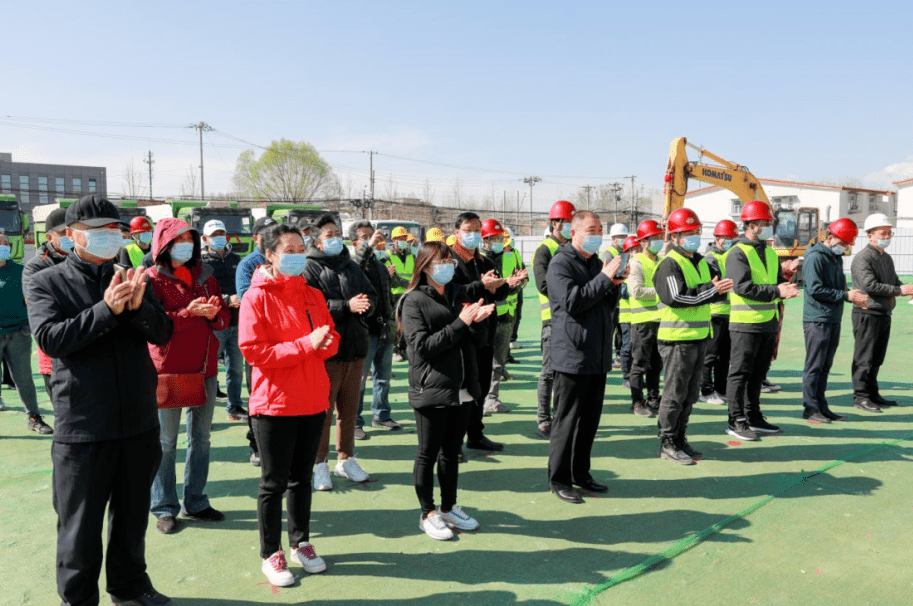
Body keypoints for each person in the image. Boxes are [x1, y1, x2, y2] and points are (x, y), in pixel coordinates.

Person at [27, 194, 175, 606]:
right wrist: (107, 310)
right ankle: (78, 599)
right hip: (84, 426)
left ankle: (130, 587)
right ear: (72, 235)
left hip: (139, 421)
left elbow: (163, 333)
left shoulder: (133, 276)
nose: (111, 237)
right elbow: (52, 339)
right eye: (99, 231)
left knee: (131, 519)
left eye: (116, 230)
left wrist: (136, 307)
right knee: (79, 527)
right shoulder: (46, 281)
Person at [239, 223, 338, 586]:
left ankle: (301, 543)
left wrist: (326, 343)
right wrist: (306, 345)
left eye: (301, 247)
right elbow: (254, 351)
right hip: (274, 404)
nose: (298, 254)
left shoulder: (313, 294)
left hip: (312, 399)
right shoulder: (256, 297)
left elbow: (330, 335)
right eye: (289, 249)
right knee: (273, 483)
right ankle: (271, 552)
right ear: (270, 255)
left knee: (302, 480)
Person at [400, 241, 494, 540]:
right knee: (428, 453)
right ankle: (426, 512)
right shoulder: (414, 301)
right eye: (441, 262)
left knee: (451, 453)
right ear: (425, 266)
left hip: (462, 388)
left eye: (450, 262)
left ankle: (448, 506)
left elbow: (475, 342)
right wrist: (461, 323)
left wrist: (476, 322)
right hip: (433, 388)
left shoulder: (457, 294)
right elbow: (422, 347)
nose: (448, 267)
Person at [147, 218, 231, 534]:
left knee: (201, 439)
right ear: (164, 243)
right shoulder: (152, 279)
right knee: (166, 442)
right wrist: (187, 314)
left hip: (205, 369)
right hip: (169, 371)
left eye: (189, 239)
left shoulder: (206, 278)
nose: (186, 244)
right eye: (178, 239)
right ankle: (165, 508)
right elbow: (153, 326)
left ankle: (195, 501)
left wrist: (214, 316)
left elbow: (223, 316)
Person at [546, 210, 624, 503]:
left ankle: (582, 473)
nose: (597, 235)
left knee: (589, 421)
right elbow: (572, 302)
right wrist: (604, 278)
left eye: (600, 230)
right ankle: (559, 479)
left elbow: (604, 303)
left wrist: (613, 285)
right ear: (573, 232)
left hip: (597, 353)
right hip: (572, 356)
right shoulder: (561, 263)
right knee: (567, 421)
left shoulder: (595, 263)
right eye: (591, 229)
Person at [653, 209, 733, 464]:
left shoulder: (699, 260)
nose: (693, 237)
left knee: (688, 395)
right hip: (677, 338)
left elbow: (707, 290)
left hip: (698, 336)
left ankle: (679, 438)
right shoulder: (669, 263)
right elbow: (677, 297)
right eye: (687, 233)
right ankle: (667, 442)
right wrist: (712, 289)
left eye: (695, 232)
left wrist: (716, 289)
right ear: (674, 237)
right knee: (674, 394)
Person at [304, 214, 377, 490]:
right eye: (328, 234)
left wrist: (365, 305)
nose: (334, 238)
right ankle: (319, 464)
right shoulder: (310, 267)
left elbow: (371, 294)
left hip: (356, 348)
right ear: (317, 241)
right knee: (323, 410)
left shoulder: (351, 266)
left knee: (348, 410)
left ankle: (346, 459)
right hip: (327, 351)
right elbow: (312, 304)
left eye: (336, 232)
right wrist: (346, 306)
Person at [725, 200, 800, 440]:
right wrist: (778, 291)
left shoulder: (768, 251)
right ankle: (736, 419)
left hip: (768, 321)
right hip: (745, 324)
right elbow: (743, 287)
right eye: (764, 222)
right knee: (740, 373)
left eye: (769, 222)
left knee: (758, 374)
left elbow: (775, 280)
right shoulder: (737, 253)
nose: (768, 226)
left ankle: (753, 416)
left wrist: (786, 282)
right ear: (750, 224)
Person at [450, 212, 517, 453]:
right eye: (468, 230)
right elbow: (452, 293)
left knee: (480, 387)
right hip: (461, 336)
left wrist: (506, 285)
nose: (473, 235)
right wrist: (481, 285)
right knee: (461, 391)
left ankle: (475, 435)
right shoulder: (449, 260)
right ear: (457, 232)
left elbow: (496, 294)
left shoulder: (485, 261)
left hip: (485, 334)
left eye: (477, 230)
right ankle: (453, 444)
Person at [802, 218, 868, 422]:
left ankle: (821, 406)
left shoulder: (835, 258)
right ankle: (811, 409)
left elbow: (839, 288)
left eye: (848, 244)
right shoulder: (815, 257)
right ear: (831, 238)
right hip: (817, 319)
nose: (847, 248)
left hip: (832, 318)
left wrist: (852, 296)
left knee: (825, 365)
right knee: (814, 365)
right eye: (844, 243)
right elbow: (814, 289)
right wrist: (845, 296)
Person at [850, 213, 913, 412]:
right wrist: (898, 291)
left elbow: (894, 282)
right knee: (865, 357)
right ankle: (861, 396)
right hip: (867, 313)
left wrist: (906, 289)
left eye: (889, 233)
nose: (886, 237)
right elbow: (870, 285)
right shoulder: (863, 258)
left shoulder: (885, 258)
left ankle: (872, 392)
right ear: (869, 235)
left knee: (876, 357)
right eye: (882, 233)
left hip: (883, 313)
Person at [350, 220, 400, 440]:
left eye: (372, 235)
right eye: (364, 236)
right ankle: (355, 422)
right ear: (354, 242)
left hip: (384, 328)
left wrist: (393, 320)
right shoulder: (353, 263)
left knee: (383, 377)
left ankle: (381, 415)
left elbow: (387, 294)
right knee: (359, 380)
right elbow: (356, 271)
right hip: (364, 331)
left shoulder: (379, 263)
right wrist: (368, 247)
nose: (372, 239)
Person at [236, 216, 278, 466]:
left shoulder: (283, 260)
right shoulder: (248, 265)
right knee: (258, 396)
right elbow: (246, 299)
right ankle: (257, 446)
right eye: (267, 234)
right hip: (259, 342)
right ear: (256, 238)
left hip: (283, 342)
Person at [532, 200, 576, 439]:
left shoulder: (573, 248)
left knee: (565, 372)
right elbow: (543, 285)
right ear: (554, 223)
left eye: (571, 222)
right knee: (549, 372)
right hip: (553, 320)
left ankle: (561, 417)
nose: (569, 226)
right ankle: (543, 419)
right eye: (566, 221)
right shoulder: (544, 250)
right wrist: (572, 296)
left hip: (572, 319)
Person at [0, 232, 51, 433]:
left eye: (5, 243)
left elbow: (31, 299)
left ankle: (34, 418)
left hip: (18, 333)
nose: (3, 246)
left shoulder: (21, 271)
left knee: (24, 379)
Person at [22, 207, 73, 402]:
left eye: (72, 231)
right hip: (55, 355)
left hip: (85, 352)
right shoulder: (36, 266)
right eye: (63, 233)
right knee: (66, 415)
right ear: (49, 236)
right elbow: (39, 309)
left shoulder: (84, 259)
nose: (69, 237)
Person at [200, 219, 247, 422]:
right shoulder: (200, 264)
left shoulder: (236, 259)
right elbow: (201, 293)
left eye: (221, 234)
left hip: (237, 322)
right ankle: (203, 411)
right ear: (205, 239)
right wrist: (228, 300)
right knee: (209, 370)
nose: (218, 238)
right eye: (214, 235)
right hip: (214, 324)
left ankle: (234, 407)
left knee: (235, 368)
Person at [480, 218, 528, 414]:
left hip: (507, 316)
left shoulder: (512, 256)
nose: (499, 241)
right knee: (481, 361)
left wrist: (517, 284)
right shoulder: (479, 260)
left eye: (501, 237)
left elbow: (523, 279)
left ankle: (492, 398)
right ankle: (477, 399)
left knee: (498, 362)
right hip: (485, 318)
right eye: (494, 238)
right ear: (485, 241)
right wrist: (505, 285)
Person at [627, 220, 664, 418]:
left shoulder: (661, 261)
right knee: (639, 364)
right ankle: (636, 402)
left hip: (660, 321)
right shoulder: (637, 262)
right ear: (643, 242)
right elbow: (636, 291)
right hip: (642, 323)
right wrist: (662, 293)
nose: (658, 242)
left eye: (660, 237)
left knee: (656, 364)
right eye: (654, 238)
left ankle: (653, 398)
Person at [699, 219, 737, 405]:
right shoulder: (710, 258)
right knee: (711, 354)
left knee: (725, 355)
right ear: (717, 238)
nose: (728, 240)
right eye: (725, 237)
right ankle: (706, 390)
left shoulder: (731, 255)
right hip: (715, 312)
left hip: (730, 311)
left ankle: (721, 389)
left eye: (731, 237)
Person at [601, 223, 629, 366]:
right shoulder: (608, 253)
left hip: (621, 298)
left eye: (625, 236)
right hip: (610, 297)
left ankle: (619, 356)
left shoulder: (624, 253)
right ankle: (605, 356)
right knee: (609, 329)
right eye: (620, 237)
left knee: (619, 330)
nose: (623, 239)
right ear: (613, 239)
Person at [388, 226, 414, 362]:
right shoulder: (388, 255)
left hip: (409, 294)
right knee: (396, 324)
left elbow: (415, 273)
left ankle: (403, 349)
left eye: (405, 238)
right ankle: (395, 350)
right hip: (394, 294)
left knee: (406, 323)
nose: (403, 241)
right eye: (400, 238)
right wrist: (407, 284)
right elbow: (391, 278)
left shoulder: (411, 255)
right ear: (394, 240)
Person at [617, 235, 638, 389]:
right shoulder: (622, 267)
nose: (636, 252)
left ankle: (635, 377)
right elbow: (623, 291)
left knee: (638, 348)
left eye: (637, 249)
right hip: (626, 315)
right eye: (632, 250)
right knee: (627, 346)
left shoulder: (642, 264)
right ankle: (626, 376)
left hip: (640, 314)